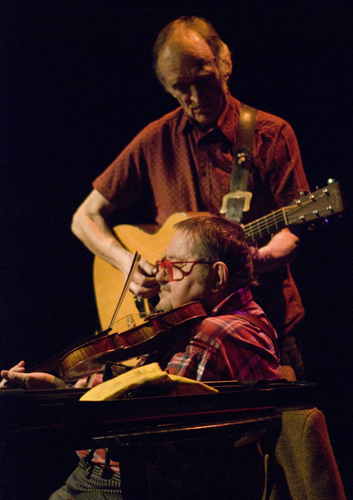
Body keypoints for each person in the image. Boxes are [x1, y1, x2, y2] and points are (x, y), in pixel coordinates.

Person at [71, 16, 309, 380]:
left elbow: (293, 229)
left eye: (203, 81)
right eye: (181, 88)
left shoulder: (269, 134)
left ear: (224, 63)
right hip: (183, 339)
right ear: (165, 86)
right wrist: (126, 263)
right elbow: (84, 217)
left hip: (263, 329)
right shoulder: (155, 139)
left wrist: (257, 260)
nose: (196, 99)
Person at [1, 215, 280, 500]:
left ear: (217, 276)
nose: (160, 277)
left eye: (174, 266)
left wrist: (58, 397)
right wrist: (66, 390)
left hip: (126, 486)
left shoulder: (210, 334)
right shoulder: (243, 320)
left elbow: (136, 428)